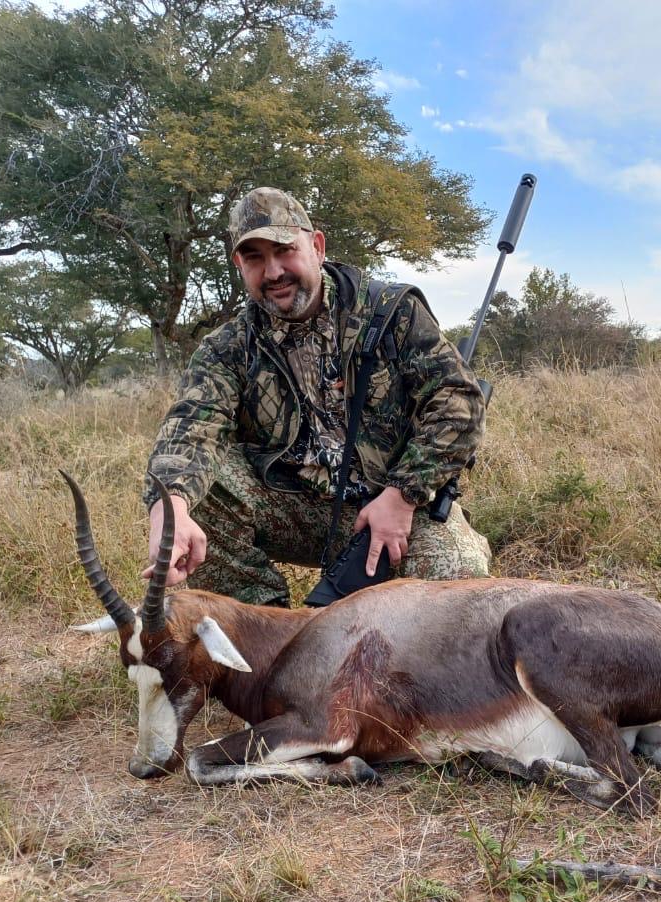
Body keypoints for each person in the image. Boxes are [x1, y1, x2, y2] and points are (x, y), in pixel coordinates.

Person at [141, 186, 491, 607]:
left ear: (317, 246)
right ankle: (264, 632)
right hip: (294, 507)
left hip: (393, 505)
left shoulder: (392, 312)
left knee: (459, 576)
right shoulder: (227, 347)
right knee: (196, 488)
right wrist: (170, 509)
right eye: (255, 257)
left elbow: (460, 404)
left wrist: (402, 496)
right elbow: (190, 427)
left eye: (284, 250)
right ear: (239, 265)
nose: (273, 273)